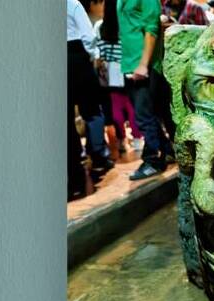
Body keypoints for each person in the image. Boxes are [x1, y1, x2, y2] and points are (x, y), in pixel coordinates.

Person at [118, 0, 174, 180]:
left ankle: (153, 161)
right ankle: (166, 150)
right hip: (130, 62)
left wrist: (143, 64)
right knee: (148, 113)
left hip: (144, 65)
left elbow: (152, 28)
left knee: (144, 116)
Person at [68, 0, 114, 199]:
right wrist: (93, 55)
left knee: (64, 121)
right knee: (92, 111)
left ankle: (75, 173)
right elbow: (88, 35)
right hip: (77, 57)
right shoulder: (72, 3)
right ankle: (99, 157)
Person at [97, 0, 144, 158]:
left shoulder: (101, 27)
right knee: (131, 106)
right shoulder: (126, 25)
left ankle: (122, 140)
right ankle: (137, 140)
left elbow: (100, 53)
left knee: (116, 107)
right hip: (126, 68)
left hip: (111, 73)